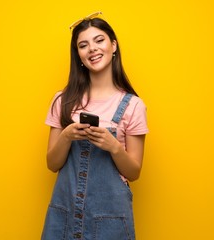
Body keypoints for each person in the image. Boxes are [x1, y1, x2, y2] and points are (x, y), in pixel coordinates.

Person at [41, 12, 148, 240]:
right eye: (83, 45)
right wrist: (67, 136)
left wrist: (114, 147)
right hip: (65, 215)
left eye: (99, 40)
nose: (92, 49)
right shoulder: (62, 101)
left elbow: (134, 172)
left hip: (110, 221)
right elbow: (52, 164)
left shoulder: (133, 105)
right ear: (78, 55)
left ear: (113, 45)